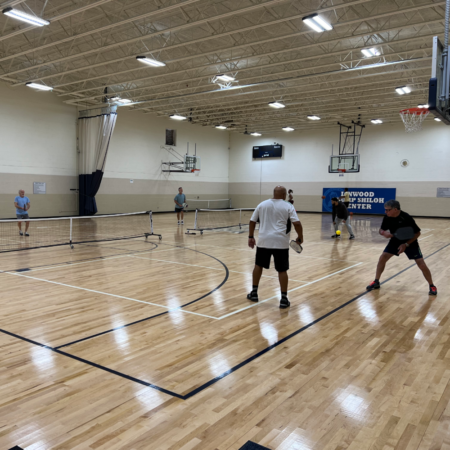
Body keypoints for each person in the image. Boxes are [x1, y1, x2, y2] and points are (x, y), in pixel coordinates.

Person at [247, 185, 303, 309]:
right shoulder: (288, 206)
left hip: (263, 241)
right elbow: (297, 223)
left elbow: (252, 221)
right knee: (282, 270)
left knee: (258, 266)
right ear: (284, 195)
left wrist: (250, 236)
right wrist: (300, 237)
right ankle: (283, 299)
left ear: (274, 193)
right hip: (280, 242)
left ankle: (254, 293)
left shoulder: (262, 204)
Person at [366, 200, 437, 295]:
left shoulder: (406, 217)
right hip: (395, 241)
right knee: (382, 258)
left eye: (388, 210)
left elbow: (417, 233)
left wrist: (406, 244)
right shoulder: (387, 217)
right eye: (385, 210)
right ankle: (376, 282)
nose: (385, 212)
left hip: (410, 242)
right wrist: (383, 233)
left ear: (395, 209)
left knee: (422, 264)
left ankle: (432, 286)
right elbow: (381, 229)